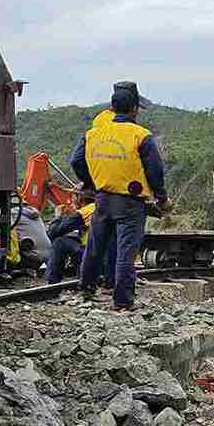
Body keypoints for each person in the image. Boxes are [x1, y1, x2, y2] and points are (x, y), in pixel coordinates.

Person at [72, 80, 169, 311]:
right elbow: (155, 170)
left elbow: (76, 161)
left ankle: (86, 289)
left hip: (102, 199)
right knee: (126, 251)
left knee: (95, 247)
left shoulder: (93, 134)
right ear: (135, 109)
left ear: (112, 108)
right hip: (131, 203)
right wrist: (162, 198)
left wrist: (90, 181)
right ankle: (123, 301)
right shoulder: (141, 136)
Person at [45, 199, 97, 284]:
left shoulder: (85, 212)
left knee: (59, 242)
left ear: (80, 197)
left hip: (91, 255)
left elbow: (53, 232)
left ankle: (52, 280)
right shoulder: (106, 206)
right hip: (109, 258)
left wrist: (58, 216)